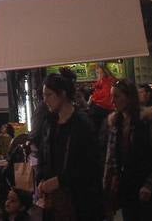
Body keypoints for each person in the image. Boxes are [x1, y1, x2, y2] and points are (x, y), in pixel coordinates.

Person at [36, 71, 102, 221]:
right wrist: (41, 179)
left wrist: (60, 180)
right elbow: (43, 155)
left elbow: (90, 165)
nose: (45, 100)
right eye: (44, 95)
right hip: (54, 202)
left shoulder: (81, 124)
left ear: (63, 94)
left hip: (79, 201)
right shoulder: (49, 124)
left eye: (49, 95)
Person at [103, 78, 152, 221]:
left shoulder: (147, 122)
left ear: (129, 97)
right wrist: (107, 186)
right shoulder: (116, 124)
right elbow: (111, 158)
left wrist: (150, 184)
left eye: (117, 96)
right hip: (128, 187)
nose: (112, 101)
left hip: (149, 187)